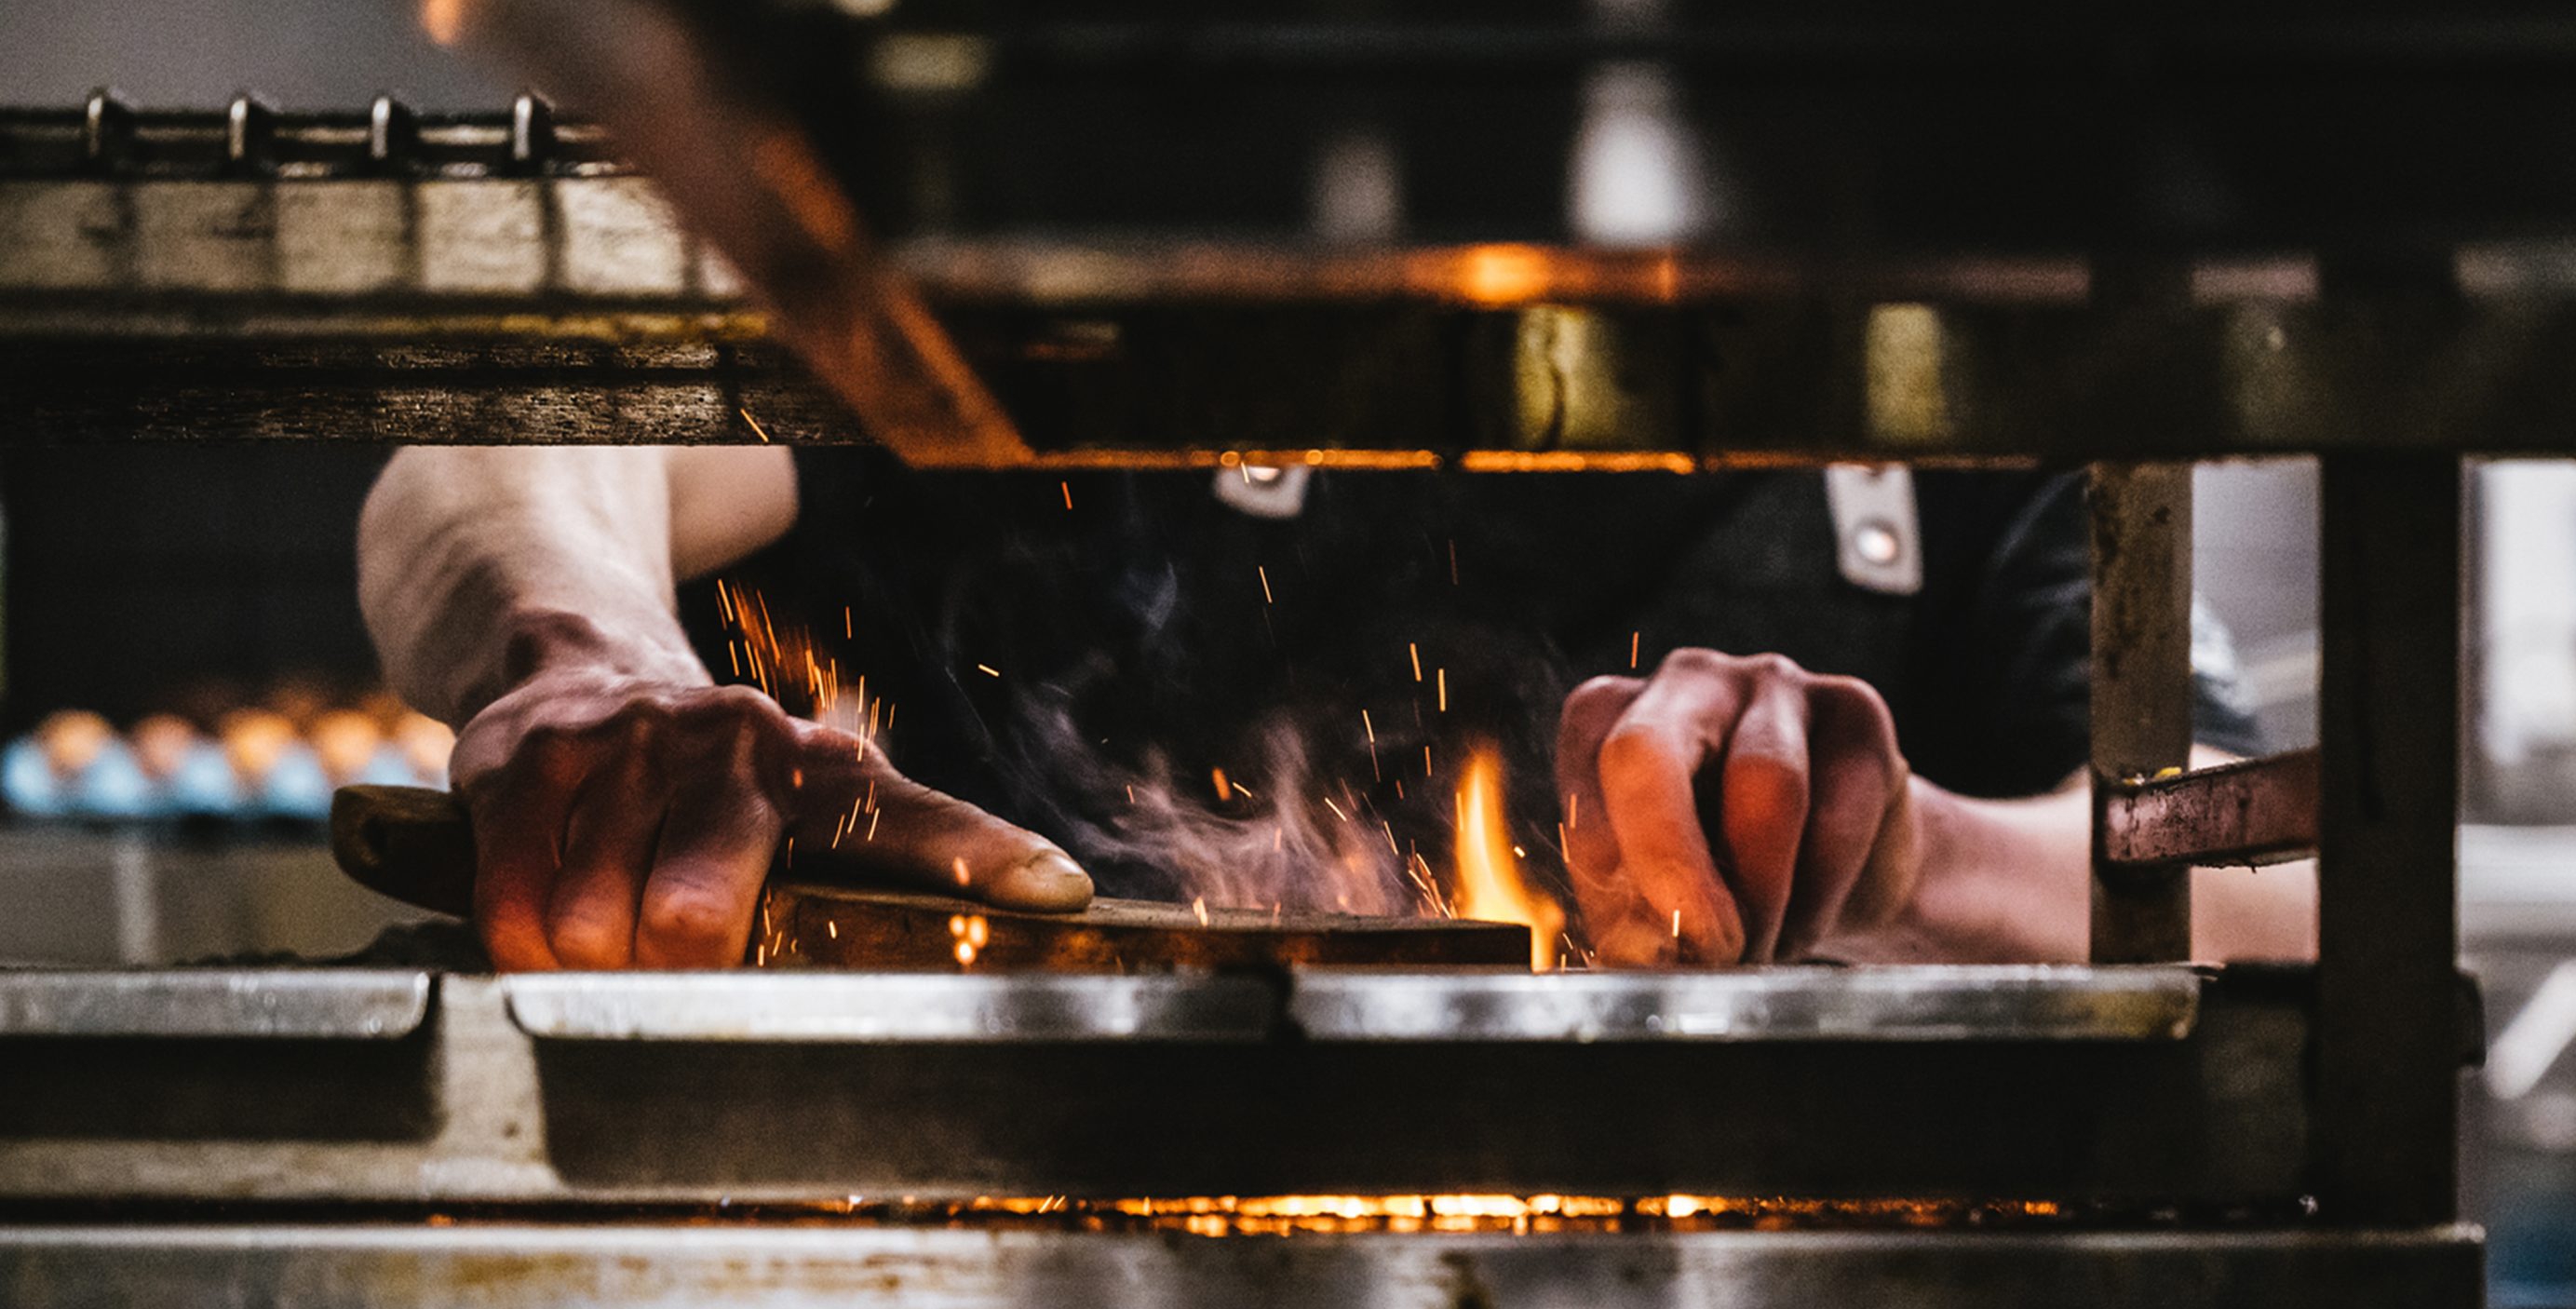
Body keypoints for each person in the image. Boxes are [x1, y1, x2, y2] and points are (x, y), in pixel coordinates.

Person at [357, 447, 2313, 970]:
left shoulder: (1939, 378)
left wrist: (1911, 850)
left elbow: (2282, 886)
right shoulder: (1078, 281)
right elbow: (498, 447)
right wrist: (582, 649)